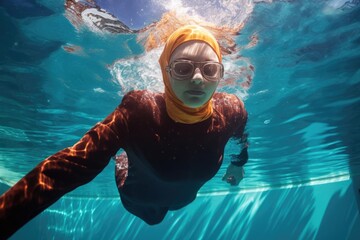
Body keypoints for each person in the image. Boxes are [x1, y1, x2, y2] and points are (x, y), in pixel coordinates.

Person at [0, 25, 248, 238]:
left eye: (210, 69)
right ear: (166, 71)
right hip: (136, 197)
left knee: (170, 204)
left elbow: (241, 136)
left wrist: (239, 163)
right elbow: (68, 168)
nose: (197, 79)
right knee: (152, 219)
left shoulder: (231, 110)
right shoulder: (140, 110)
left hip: (182, 199)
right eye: (183, 68)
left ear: (220, 75)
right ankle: (121, 157)